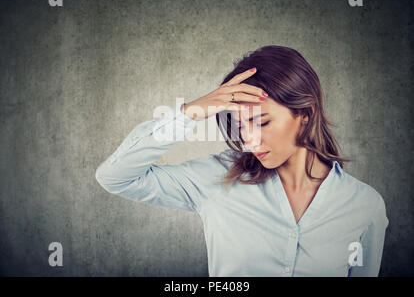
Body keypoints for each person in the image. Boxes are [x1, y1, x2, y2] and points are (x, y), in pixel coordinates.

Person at [95, 45, 389, 277]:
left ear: (305, 115)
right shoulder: (216, 178)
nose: (249, 141)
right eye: (242, 126)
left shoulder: (364, 206)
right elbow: (116, 177)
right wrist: (189, 112)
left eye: (261, 122)